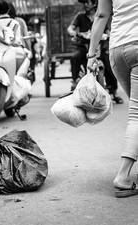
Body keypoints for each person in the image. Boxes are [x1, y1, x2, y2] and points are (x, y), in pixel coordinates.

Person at [87, 0, 138, 197]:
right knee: (136, 114)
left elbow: (101, 15)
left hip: (118, 51)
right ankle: (123, 176)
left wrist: (91, 55)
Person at [67, 0, 96, 90]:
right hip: (84, 47)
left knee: (108, 60)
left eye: (88, 2)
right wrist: (73, 32)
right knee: (75, 57)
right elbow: (71, 28)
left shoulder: (100, 17)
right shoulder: (80, 16)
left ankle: (113, 90)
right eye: (84, 3)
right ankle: (75, 80)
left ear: (94, 3)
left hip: (98, 48)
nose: (85, 5)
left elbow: (107, 30)